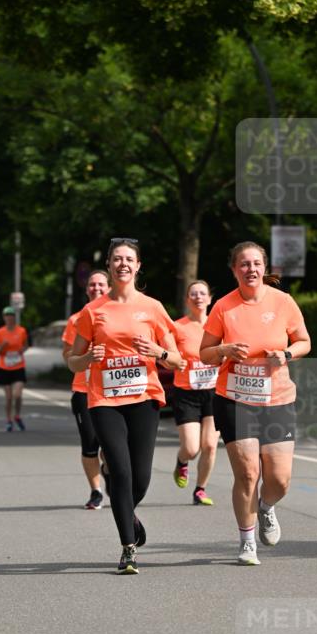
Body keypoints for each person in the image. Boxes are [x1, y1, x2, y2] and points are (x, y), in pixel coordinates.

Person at [69, 238, 183, 574]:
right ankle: (128, 548)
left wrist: (158, 352)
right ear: (108, 264)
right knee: (120, 471)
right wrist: (88, 357)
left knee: (141, 479)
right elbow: (73, 361)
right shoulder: (94, 311)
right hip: (104, 400)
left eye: (129, 259)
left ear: (138, 265)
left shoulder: (153, 307)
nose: (123, 264)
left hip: (144, 398)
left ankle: (126, 508)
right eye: (117, 259)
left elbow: (177, 360)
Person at [199, 241, 311, 566]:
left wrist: (286, 353)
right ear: (234, 269)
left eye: (256, 263)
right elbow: (203, 352)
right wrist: (223, 351)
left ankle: (266, 507)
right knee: (248, 473)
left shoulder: (283, 302)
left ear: (265, 268)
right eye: (244, 264)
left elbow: (304, 341)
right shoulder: (223, 307)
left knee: (279, 479)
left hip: (277, 398)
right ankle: (247, 541)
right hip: (235, 399)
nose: (251, 269)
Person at [170, 280, 221, 506]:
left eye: (202, 293)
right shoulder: (178, 327)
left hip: (215, 392)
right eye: (193, 294)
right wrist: (174, 363)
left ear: (210, 298)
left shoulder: (221, 325)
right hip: (186, 393)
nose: (198, 297)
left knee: (210, 445)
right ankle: (182, 461)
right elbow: (167, 356)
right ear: (187, 300)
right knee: (192, 448)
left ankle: (200, 489)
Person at [62, 269, 110, 509]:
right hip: (84, 390)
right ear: (86, 288)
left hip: (112, 391)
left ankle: (109, 469)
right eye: (92, 285)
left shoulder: (118, 314)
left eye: (101, 284)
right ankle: (96, 491)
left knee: (111, 446)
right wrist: (86, 357)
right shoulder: (76, 319)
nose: (96, 288)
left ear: (109, 287)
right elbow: (67, 356)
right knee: (90, 445)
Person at [0, 306, 29, 431]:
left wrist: (21, 350)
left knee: (17, 394)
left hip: (18, 366)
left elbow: (26, 345)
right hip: (4, 367)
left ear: (14, 317)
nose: (9, 318)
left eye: (11, 315)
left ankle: (17, 415)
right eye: (7, 316)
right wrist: (3, 346)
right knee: (8, 397)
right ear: (4, 318)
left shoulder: (21, 331)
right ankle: (9, 420)